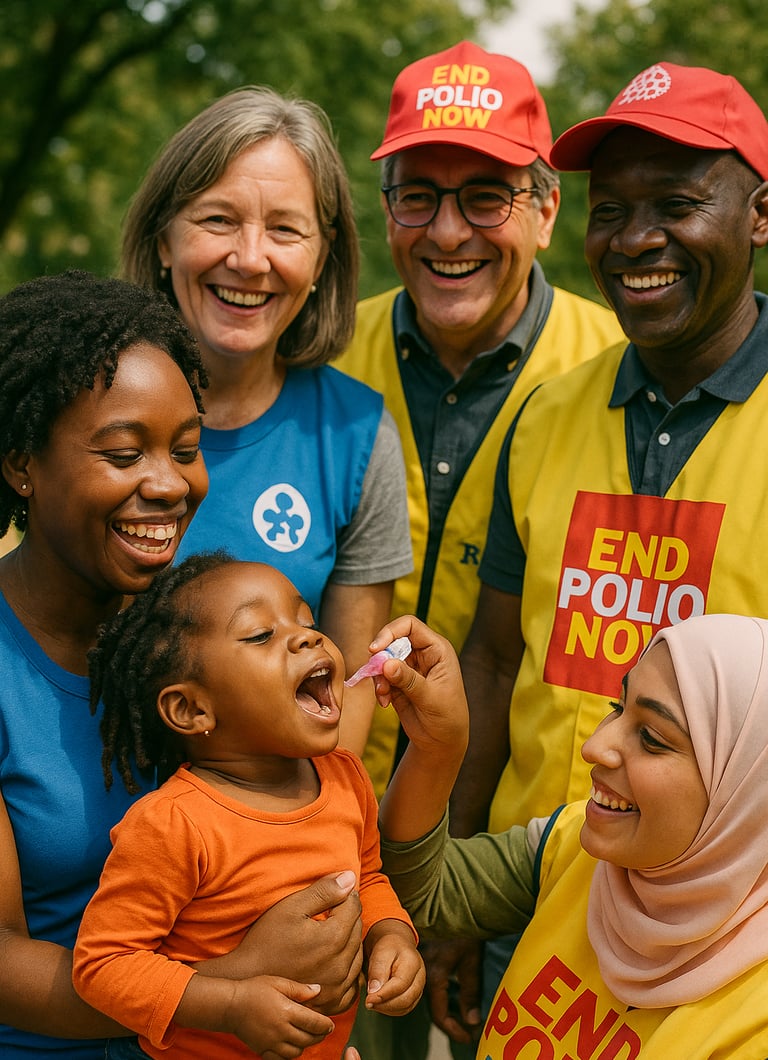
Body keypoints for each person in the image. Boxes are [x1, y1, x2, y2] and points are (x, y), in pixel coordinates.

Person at [450, 59, 768, 1039]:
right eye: (610, 208)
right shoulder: (545, 414)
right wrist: (461, 889)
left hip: (718, 951)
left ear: (760, 215)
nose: (634, 240)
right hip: (533, 910)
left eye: (675, 203)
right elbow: (496, 658)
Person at [334, 39, 623, 1056]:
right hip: (318, 842)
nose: (448, 231)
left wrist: (461, 884)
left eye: (486, 198)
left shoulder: (617, 373)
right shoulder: (320, 355)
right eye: (419, 196)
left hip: (527, 864)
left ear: (546, 212)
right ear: (385, 211)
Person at [0, 270, 364, 1060]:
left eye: (188, 450)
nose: (169, 484)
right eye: (125, 453)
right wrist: (228, 987)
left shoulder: (195, 634)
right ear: (22, 464)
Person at [122, 85, 412, 756]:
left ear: (321, 257)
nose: (250, 258)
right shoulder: (86, 404)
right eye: (218, 220)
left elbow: (350, 689)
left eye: (285, 229)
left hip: (265, 846)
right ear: (164, 238)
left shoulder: (358, 438)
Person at [72, 552, 424, 1059]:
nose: (306, 637)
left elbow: (367, 878)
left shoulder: (345, 777)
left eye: (307, 620)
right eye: (261, 635)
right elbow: (103, 966)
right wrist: (232, 1003)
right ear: (191, 709)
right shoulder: (174, 823)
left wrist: (391, 935)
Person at [376, 611, 768, 1058]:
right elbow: (413, 892)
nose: (595, 746)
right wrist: (436, 750)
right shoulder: (574, 844)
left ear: (746, 789)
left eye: (653, 738)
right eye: (617, 707)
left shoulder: (755, 1027)